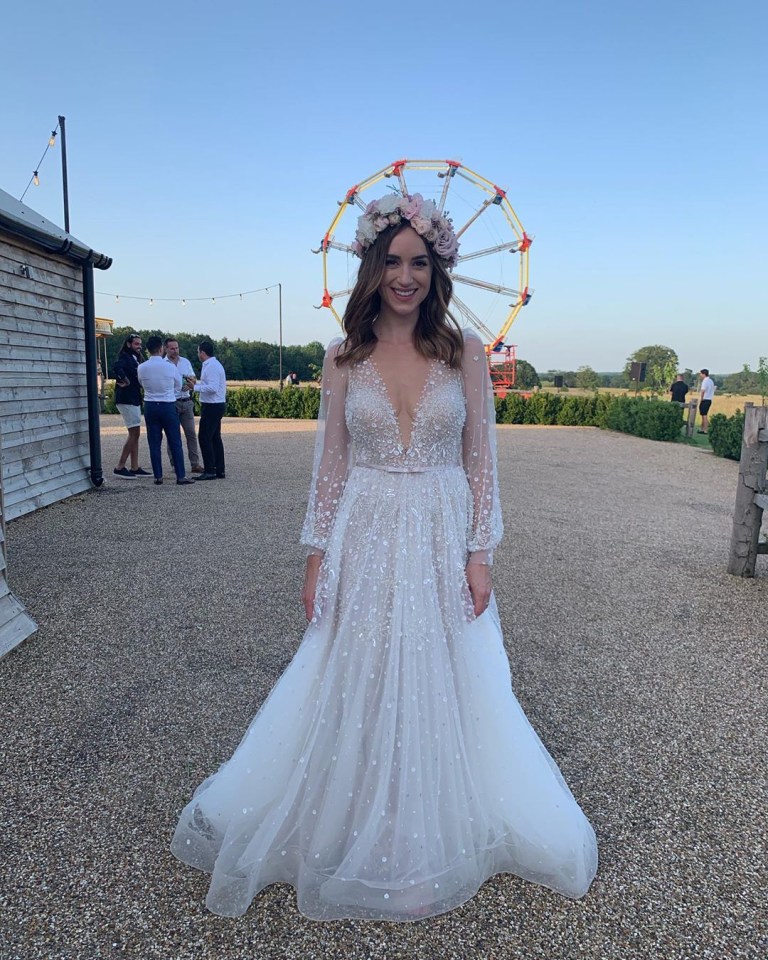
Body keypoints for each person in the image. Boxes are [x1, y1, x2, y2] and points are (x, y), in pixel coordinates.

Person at [171, 193, 598, 920]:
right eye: (394, 262)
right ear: (372, 266)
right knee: (360, 662)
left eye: (420, 263)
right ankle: (351, 815)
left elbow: (479, 458)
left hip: (439, 524)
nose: (406, 277)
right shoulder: (343, 356)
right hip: (364, 528)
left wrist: (480, 551)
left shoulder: (463, 351)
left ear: (438, 271)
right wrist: (315, 556)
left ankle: (427, 826)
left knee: (441, 666)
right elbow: (330, 462)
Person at [136, 336, 195, 486]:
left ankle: (158, 476)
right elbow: (178, 385)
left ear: (147, 350)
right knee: (175, 441)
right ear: (162, 349)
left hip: (150, 405)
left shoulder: (142, 367)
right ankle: (180, 475)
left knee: (154, 442)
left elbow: (141, 383)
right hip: (168, 404)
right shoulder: (170, 367)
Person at [112, 333, 151, 478]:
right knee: (135, 433)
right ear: (129, 344)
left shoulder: (135, 359)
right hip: (127, 399)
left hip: (133, 399)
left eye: (140, 344)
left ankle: (134, 467)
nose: (139, 346)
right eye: (136, 344)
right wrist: (125, 380)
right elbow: (117, 367)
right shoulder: (125, 357)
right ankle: (120, 466)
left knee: (134, 433)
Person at [163, 337, 204, 474]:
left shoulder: (185, 362)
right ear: (165, 349)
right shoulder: (163, 364)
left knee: (191, 434)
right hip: (171, 402)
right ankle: (175, 465)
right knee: (172, 435)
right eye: (172, 348)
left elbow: (193, 377)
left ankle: (195, 464)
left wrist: (191, 382)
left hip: (186, 401)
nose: (175, 351)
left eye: (177, 348)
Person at [193, 340, 227, 480]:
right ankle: (219, 469)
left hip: (212, 405)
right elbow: (211, 384)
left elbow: (212, 388)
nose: (198, 355)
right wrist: (196, 383)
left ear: (202, 352)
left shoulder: (211, 366)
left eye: (198, 352)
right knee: (215, 437)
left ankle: (210, 470)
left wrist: (194, 388)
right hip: (216, 404)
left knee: (205, 437)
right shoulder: (213, 364)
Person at [698, 368, 716, 434]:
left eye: (701, 374)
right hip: (709, 399)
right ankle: (702, 428)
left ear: (704, 374)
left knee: (704, 415)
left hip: (705, 399)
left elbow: (703, 391)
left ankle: (705, 430)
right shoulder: (711, 381)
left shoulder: (705, 381)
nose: (700, 375)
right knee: (703, 414)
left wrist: (701, 399)